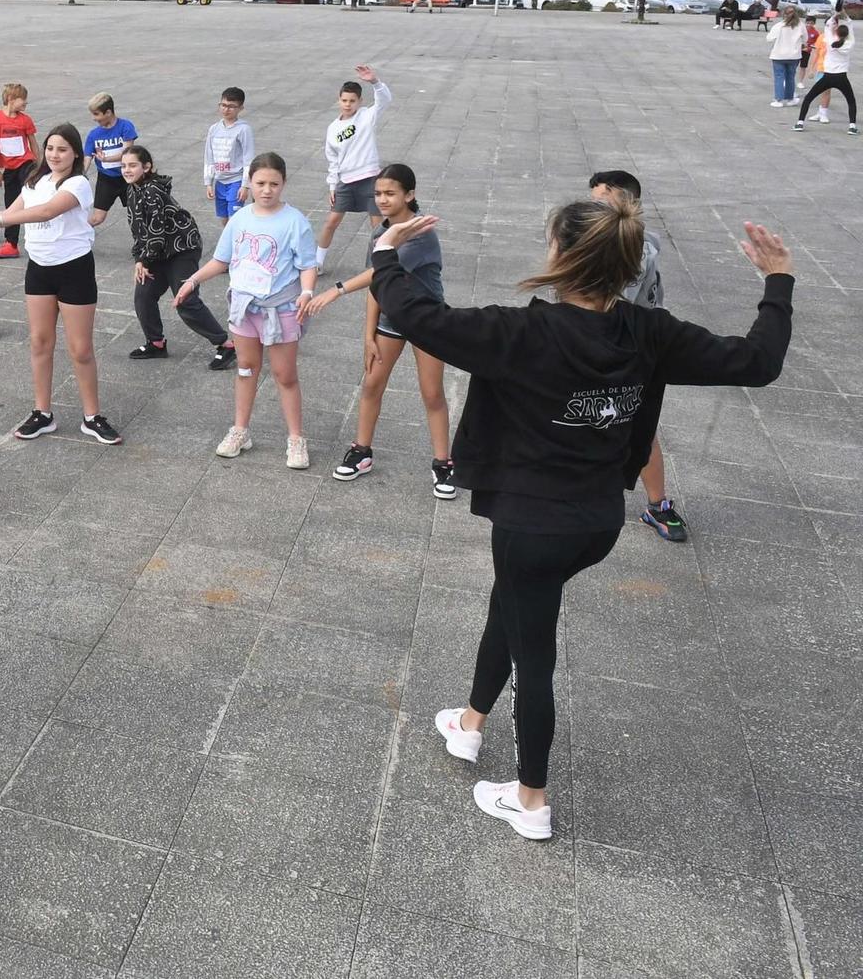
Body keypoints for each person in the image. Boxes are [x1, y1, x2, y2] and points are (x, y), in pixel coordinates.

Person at [376, 204, 792, 842]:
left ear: (560, 255)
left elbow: (416, 315)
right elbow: (757, 361)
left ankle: (531, 800)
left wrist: (385, 254)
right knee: (510, 607)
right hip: (595, 522)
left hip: (532, 524)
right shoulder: (651, 332)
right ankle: (469, 722)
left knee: (535, 653)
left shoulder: (519, 333)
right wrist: (778, 280)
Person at [0, 125, 121, 445]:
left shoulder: (79, 184)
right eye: (51, 148)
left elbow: (45, 211)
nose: (55, 155)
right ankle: (43, 413)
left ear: (75, 154)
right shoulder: (34, 179)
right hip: (39, 270)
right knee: (40, 342)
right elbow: (12, 211)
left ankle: (92, 417)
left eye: (63, 150)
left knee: (80, 349)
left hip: (75, 270)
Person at [300, 164, 454, 496]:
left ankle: (443, 463)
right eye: (378, 194)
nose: (382, 200)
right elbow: (380, 286)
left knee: (432, 393)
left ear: (409, 195)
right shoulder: (379, 232)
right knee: (371, 384)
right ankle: (361, 451)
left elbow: (379, 272)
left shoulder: (421, 230)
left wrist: (335, 290)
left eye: (390, 193)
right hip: (393, 319)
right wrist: (368, 335)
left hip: (428, 320)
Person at [176, 151, 321, 469]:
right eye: (260, 183)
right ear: (250, 183)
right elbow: (222, 260)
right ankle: (240, 430)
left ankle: (296, 439)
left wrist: (307, 292)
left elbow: (307, 265)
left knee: (285, 375)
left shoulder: (295, 221)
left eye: (274, 183)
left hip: (281, 307)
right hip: (244, 308)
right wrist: (193, 280)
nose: (267, 189)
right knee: (245, 368)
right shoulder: (240, 218)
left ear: (283, 183)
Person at [586, 169, 688, 541]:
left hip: (627, 349)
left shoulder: (632, 247)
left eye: (600, 199)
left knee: (637, 426)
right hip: (615, 344)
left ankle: (657, 506)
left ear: (624, 200)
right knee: (615, 423)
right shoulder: (622, 238)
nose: (592, 207)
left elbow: (613, 304)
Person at [122, 145, 233, 369]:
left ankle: (226, 345)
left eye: (132, 165)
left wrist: (144, 260)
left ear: (147, 167)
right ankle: (156, 343)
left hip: (182, 249)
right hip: (159, 251)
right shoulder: (133, 190)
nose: (127, 170)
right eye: (123, 166)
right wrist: (139, 259)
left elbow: (156, 233)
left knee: (186, 301)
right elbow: (138, 230)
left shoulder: (152, 191)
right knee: (144, 294)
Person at [316, 64, 394, 267]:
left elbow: (385, 100)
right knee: (331, 222)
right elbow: (332, 159)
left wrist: (375, 82)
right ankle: (317, 262)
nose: (348, 104)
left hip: (369, 178)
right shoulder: (333, 128)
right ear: (338, 100)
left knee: (377, 226)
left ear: (360, 101)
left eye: (352, 101)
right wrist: (332, 185)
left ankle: (378, 265)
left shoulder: (367, 116)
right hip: (345, 181)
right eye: (344, 100)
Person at [0, 82, 36, 258]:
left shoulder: (25, 120)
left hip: (26, 164)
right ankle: (11, 244)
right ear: (11, 99)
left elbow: (33, 144)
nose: (26, 104)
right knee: (11, 204)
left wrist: (42, 166)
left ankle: (41, 234)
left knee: (32, 198)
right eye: (23, 100)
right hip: (9, 169)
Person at [82, 92, 139, 226]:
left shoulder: (126, 126)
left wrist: (106, 159)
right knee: (97, 218)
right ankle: (77, 236)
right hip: (106, 180)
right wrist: (80, 175)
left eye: (96, 114)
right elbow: (87, 157)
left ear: (108, 112)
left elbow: (126, 153)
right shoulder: (93, 135)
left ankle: (144, 243)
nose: (93, 118)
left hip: (128, 178)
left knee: (138, 214)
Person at [797, 15, 859, 133]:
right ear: (847, 35)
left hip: (828, 76)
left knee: (808, 98)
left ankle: (799, 123)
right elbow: (850, 27)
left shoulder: (829, 41)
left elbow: (828, 26)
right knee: (851, 101)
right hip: (841, 77)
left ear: (836, 32)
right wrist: (845, 15)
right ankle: (852, 126)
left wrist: (835, 14)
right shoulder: (849, 44)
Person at [204, 86, 255, 220]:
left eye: (231, 106)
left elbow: (248, 158)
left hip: (236, 180)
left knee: (235, 218)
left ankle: (237, 241)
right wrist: (208, 182)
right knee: (224, 218)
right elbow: (209, 157)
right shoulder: (214, 129)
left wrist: (245, 185)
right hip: (220, 181)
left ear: (240, 108)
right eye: (223, 105)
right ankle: (229, 240)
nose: (226, 109)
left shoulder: (244, 129)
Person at [767, 6, 806, 106]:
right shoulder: (801, 25)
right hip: (794, 55)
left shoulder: (779, 25)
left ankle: (778, 99)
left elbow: (769, 38)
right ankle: (790, 98)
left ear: (784, 14)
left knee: (779, 77)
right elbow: (806, 38)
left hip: (779, 55)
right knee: (790, 77)